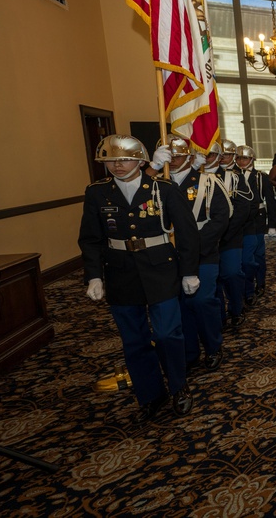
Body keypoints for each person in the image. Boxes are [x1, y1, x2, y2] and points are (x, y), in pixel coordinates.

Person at [78, 134, 199, 421]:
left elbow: (187, 232)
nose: (118, 166)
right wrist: (94, 277)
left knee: (169, 334)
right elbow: (91, 239)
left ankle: (178, 386)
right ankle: (150, 393)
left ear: (140, 160)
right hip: (120, 272)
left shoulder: (163, 189)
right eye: (111, 160)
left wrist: (190, 271)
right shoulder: (97, 193)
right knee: (134, 340)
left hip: (160, 269)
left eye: (125, 159)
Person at [154, 136, 230, 375]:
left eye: (178, 156)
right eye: (169, 156)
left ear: (189, 157)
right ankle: (188, 353)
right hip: (166, 254)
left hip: (202, 253)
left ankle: (213, 346)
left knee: (201, 301)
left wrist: (194, 246)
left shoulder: (207, 182)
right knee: (178, 305)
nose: (173, 160)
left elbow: (221, 216)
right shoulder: (157, 184)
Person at [236, 146, 276, 315]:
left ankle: (260, 282)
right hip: (240, 221)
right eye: (238, 159)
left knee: (258, 254)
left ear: (252, 160)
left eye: (244, 159)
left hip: (258, 219)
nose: (241, 162)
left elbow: (271, 201)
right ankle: (248, 288)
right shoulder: (233, 176)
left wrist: (273, 224)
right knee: (245, 257)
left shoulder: (261, 177)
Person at [215, 139, 251, 326]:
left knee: (231, 273)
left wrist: (224, 233)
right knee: (213, 280)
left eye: (226, 155)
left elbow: (242, 209)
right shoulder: (199, 176)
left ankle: (236, 308)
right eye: (217, 154)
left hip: (230, 236)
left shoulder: (236, 176)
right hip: (205, 240)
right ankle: (219, 315)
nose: (221, 158)